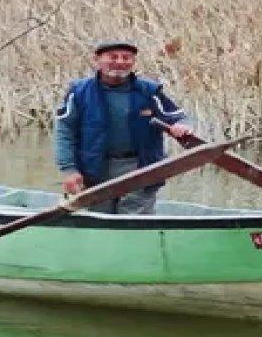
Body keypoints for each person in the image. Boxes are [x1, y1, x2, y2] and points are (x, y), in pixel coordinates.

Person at [53, 40, 192, 214]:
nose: (120, 62)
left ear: (133, 62)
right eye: (113, 57)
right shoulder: (79, 92)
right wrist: (69, 170)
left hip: (140, 167)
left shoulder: (148, 91)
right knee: (98, 216)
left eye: (126, 58)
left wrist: (182, 126)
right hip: (95, 167)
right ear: (97, 60)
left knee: (135, 217)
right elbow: (65, 130)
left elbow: (176, 117)